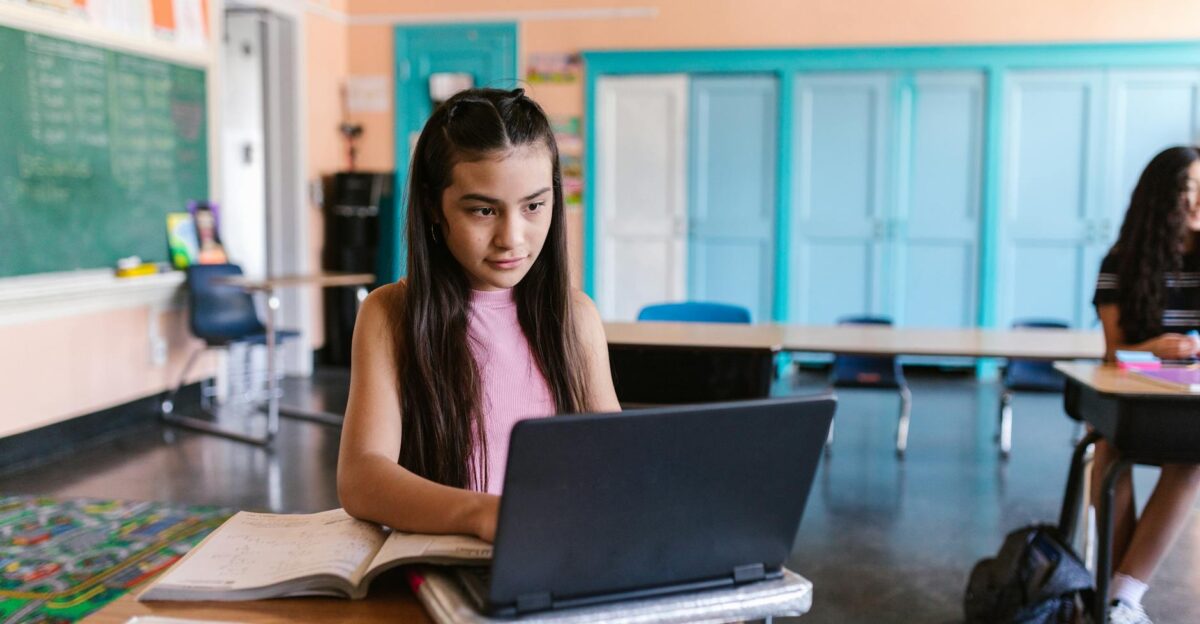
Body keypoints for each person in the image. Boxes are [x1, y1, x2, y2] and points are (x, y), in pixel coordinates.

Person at [337, 88, 621, 543]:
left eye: (534, 206)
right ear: (434, 206)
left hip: (558, 552)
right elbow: (362, 478)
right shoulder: (389, 315)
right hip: (446, 562)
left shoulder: (576, 316)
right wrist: (482, 514)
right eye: (484, 210)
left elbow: (617, 458)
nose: (512, 237)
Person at [1092, 145, 1200, 624]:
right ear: (1161, 199)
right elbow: (1114, 353)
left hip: (1191, 405)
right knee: (1106, 454)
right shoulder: (1121, 261)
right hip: (1136, 403)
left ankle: (1121, 596)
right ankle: (1120, 596)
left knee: (1192, 459)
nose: (1198, 203)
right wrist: (1155, 347)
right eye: (1189, 191)